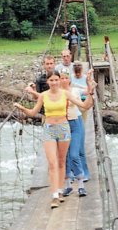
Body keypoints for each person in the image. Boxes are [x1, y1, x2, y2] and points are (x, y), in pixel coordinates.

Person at [14, 71, 94, 209]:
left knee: (62, 162)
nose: (55, 82)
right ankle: (55, 195)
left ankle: (61, 190)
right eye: (51, 80)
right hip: (49, 129)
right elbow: (33, 113)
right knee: (52, 163)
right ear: (48, 82)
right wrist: (21, 108)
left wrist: (91, 92)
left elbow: (85, 106)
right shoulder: (44, 96)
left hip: (63, 128)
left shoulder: (65, 94)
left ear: (59, 81)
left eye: (57, 80)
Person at [59, 70, 92, 197]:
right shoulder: (55, 94)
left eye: (65, 78)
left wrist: (90, 85)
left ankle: (81, 185)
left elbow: (85, 101)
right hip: (62, 125)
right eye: (61, 78)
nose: (63, 80)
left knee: (74, 154)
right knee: (65, 156)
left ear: (69, 80)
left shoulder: (73, 91)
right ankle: (68, 185)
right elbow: (42, 98)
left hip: (75, 122)